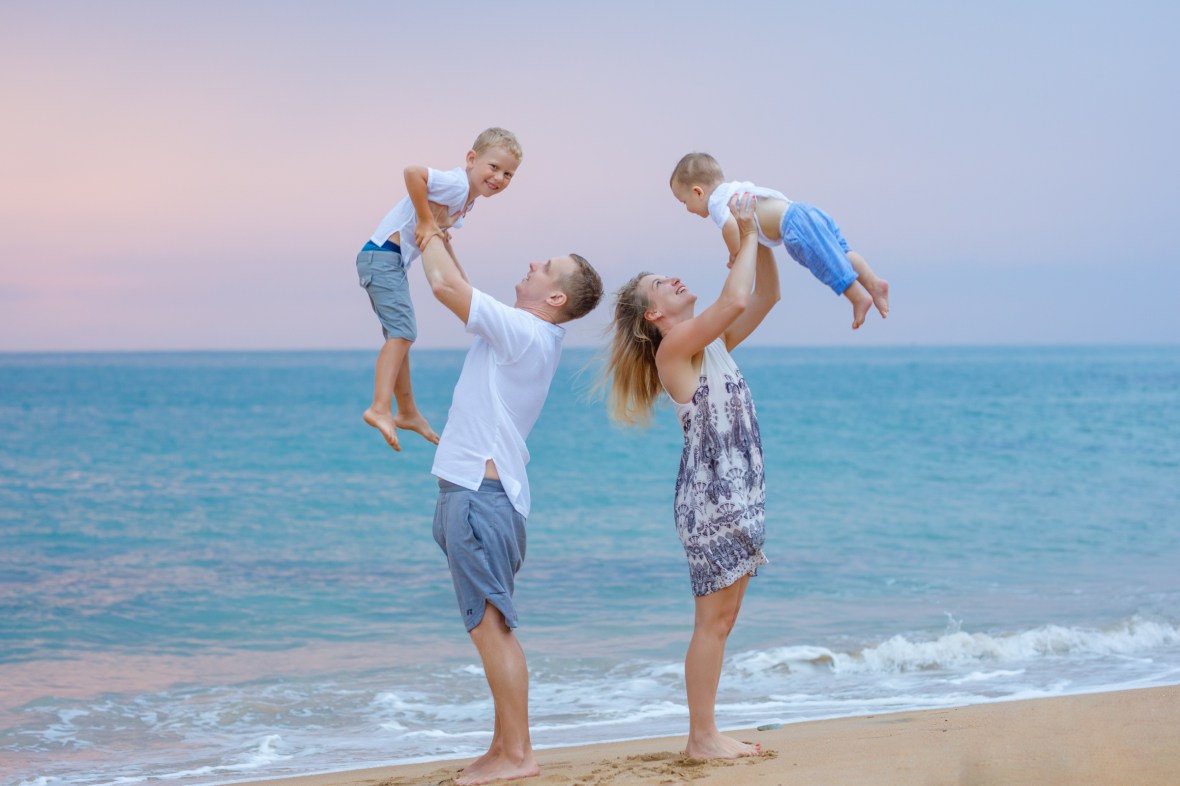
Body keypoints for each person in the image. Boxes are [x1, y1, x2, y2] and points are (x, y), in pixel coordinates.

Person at [418, 227, 603, 785]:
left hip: (480, 498)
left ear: (555, 299)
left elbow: (446, 288)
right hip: (480, 496)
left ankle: (518, 755)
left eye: (545, 264)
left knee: (491, 628)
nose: (532, 262)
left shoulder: (523, 331)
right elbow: (461, 282)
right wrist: (444, 240)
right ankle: (504, 747)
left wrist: (425, 226)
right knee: (488, 624)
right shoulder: (526, 334)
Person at [604, 194, 778, 759]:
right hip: (712, 502)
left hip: (740, 497)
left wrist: (768, 238)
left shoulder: (712, 347)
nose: (674, 279)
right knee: (712, 622)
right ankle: (701, 738)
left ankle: (707, 732)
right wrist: (745, 233)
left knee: (723, 621)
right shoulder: (676, 348)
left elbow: (765, 294)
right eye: (661, 284)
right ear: (654, 316)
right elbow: (736, 296)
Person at [356, 127, 523, 451]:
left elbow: (442, 240)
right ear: (472, 159)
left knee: (400, 335)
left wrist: (463, 282)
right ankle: (379, 407)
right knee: (403, 334)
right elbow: (413, 173)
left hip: (389, 262)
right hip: (381, 256)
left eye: (508, 174)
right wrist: (423, 220)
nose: (499, 177)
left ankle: (407, 411)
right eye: (493, 167)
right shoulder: (458, 184)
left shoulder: (465, 203)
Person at [670, 151, 889, 330]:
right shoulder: (735, 188)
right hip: (802, 210)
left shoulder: (717, 203)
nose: (687, 209)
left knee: (826, 264)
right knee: (840, 254)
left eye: (684, 202)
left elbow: (729, 227)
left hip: (794, 225)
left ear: (698, 192)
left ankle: (858, 298)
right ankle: (874, 283)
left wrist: (736, 254)